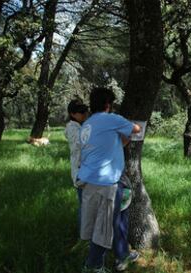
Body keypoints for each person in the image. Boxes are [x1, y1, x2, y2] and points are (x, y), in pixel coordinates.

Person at [78, 87, 141, 273]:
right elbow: (137, 128)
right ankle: (93, 266)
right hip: (106, 184)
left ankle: (122, 254)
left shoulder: (87, 125)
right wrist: (127, 129)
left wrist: (123, 140)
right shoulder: (112, 119)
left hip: (89, 181)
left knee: (108, 220)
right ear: (108, 104)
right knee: (103, 227)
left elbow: (106, 145)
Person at [64, 99, 89, 229]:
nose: (84, 113)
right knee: (84, 206)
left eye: (85, 110)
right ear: (72, 114)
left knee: (86, 205)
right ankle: (83, 236)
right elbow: (78, 147)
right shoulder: (73, 128)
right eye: (81, 112)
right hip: (80, 172)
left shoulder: (81, 126)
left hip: (84, 171)